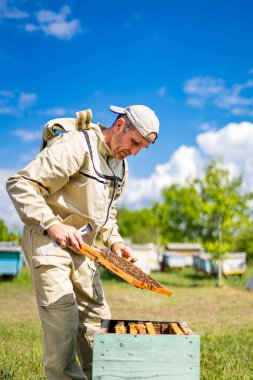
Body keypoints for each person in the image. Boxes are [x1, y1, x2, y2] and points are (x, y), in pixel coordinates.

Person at [6, 104, 159, 380]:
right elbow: (21, 183)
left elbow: (107, 211)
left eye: (141, 148)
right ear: (120, 125)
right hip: (47, 240)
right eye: (134, 142)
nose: (134, 152)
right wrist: (53, 225)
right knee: (63, 324)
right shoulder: (77, 144)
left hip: (84, 249)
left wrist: (114, 241)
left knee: (97, 320)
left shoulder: (120, 166)